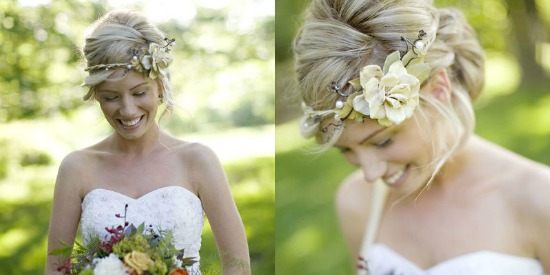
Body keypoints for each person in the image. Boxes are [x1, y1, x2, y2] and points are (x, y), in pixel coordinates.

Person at [293, 0, 550, 274]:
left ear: (439, 90)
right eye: (346, 150)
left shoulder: (539, 200)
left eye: (382, 141)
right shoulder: (356, 201)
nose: (370, 173)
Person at [45, 10, 250, 275]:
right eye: (110, 97)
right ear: (95, 95)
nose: (127, 110)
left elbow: (238, 268)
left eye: (139, 92)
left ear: (160, 88)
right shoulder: (76, 168)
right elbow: (55, 269)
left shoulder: (198, 160)